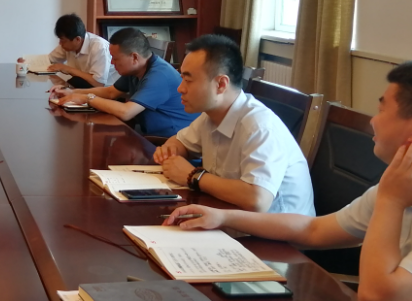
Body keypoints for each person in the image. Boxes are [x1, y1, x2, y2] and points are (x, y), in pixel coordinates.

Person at [163, 62, 412, 301]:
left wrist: (391, 201)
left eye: (382, 111)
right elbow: (313, 229)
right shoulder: (391, 189)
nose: (372, 121)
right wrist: (222, 217)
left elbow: (376, 296)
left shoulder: (391, 193)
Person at [153, 34, 313, 214]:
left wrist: (193, 176)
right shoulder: (211, 115)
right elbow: (181, 142)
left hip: (276, 229)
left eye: (188, 80)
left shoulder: (259, 127)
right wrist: (171, 151)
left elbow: (257, 200)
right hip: (228, 216)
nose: (180, 88)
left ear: (221, 84)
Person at [49, 27, 198, 138]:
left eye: (115, 58)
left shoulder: (159, 75)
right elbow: (110, 92)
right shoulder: (138, 68)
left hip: (171, 141)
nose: (112, 63)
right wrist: (72, 92)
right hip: (148, 133)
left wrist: (87, 98)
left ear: (134, 57)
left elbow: (126, 112)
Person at [44, 13, 115, 88]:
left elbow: (98, 83)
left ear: (77, 39)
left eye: (62, 40)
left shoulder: (99, 47)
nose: (60, 43)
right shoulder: (67, 45)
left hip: (106, 90)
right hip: (82, 85)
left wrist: (68, 69)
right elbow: (49, 60)